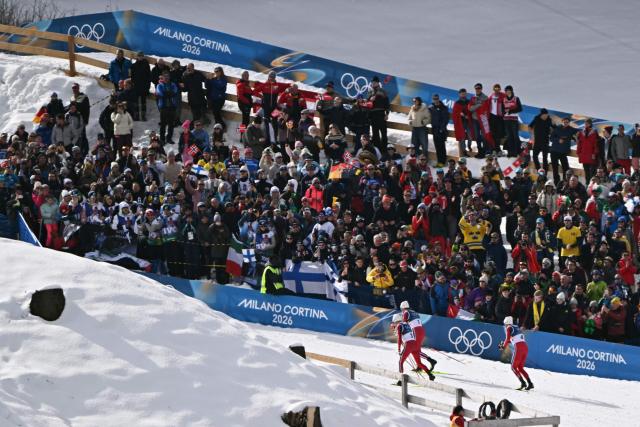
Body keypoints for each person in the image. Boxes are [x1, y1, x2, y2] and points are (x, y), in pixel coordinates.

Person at [392, 313, 434, 380]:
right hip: (415, 344)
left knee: (401, 362)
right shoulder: (407, 324)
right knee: (419, 363)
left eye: (394, 322)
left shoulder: (399, 326)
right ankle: (431, 375)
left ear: (396, 320)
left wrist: (399, 349)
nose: (393, 323)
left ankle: (400, 381)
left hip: (409, 345)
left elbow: (399, 339)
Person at [400, 300, 437, 370]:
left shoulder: (406, 313)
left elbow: (404, 325)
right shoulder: (414, 312)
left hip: (415, 331)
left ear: (403, 308)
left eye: (401, 309)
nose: (401, 310)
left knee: (413, 350)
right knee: (416, 349)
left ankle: (431, 360)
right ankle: (419, 366)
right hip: (421, 330)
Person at [499, 316, 533, 390]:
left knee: (513, 367)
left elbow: (507, 339)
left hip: (519, 347)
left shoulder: (508, 328)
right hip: (525, 347)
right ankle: (530, 383)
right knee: (520, 368)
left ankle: (523, 383)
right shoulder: (516, 327)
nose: (504, 326)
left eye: (504, 324)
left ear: (506, 323)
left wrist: (502, 347)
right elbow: (512, 338)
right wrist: (504, 344)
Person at [367, 76, 390, 152]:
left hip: (381, 114)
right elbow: (367, 103)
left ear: (377, 83)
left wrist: (387, 114)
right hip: (373, 115)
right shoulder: (370, 92)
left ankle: (384, 150)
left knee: (384, 133)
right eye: (372, 82)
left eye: (374, 82)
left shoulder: (383, 91)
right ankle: (377, 150)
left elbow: (387, 103)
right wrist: (370, 99)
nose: (373, 84)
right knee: (375, 134)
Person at [155, 74, 179, 144]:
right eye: (165, 78)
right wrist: (169, 94)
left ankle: (169, 138)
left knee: (171, 124)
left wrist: (166, 94)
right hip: (163, 107)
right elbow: (160, 93)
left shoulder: (173, 84)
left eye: (167, 77)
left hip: (172, 106)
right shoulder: (159, 85)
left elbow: (175, 91)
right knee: (163, 124)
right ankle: (162, 139)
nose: (166, 79)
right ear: (162, 78)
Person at [429, 94, 450, 167]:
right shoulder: (431, 107)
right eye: (434, 99)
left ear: (439, 99)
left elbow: (445, 119)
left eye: (437, 98)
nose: (435, 100)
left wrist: (442, 128)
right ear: (433, 99)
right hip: (434, 129)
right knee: (437, 147)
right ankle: (439, 162)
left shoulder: (443, 107)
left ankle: (442, 162)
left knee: (442, 147)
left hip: (441, 130)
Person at [502, 85, 522, 157]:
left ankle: (517, 151)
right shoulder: (504, 99)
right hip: (506, 120)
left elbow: (520, 109)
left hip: (514, 119)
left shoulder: (516, 98)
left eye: (509, 90)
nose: (507, 92)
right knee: (509, 136)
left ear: (511, 91)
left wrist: (510, 110)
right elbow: (502, 109)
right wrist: (504, 111)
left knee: (515, 136)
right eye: (506, 91)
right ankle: (510, 152)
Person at [131, 51, 151, 121]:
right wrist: (133, 85)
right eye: (139, 56)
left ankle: (143, 116)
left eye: (141, 56)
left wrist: (148, 87)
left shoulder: (146, 65)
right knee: (136, 102)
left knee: (143, 102)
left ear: (143, 57)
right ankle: (136, 116)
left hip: (144, 86)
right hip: (136, 86)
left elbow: (149, 77)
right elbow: (132, 77)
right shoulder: (133, 66)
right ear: (137, 57)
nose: (140, 57)